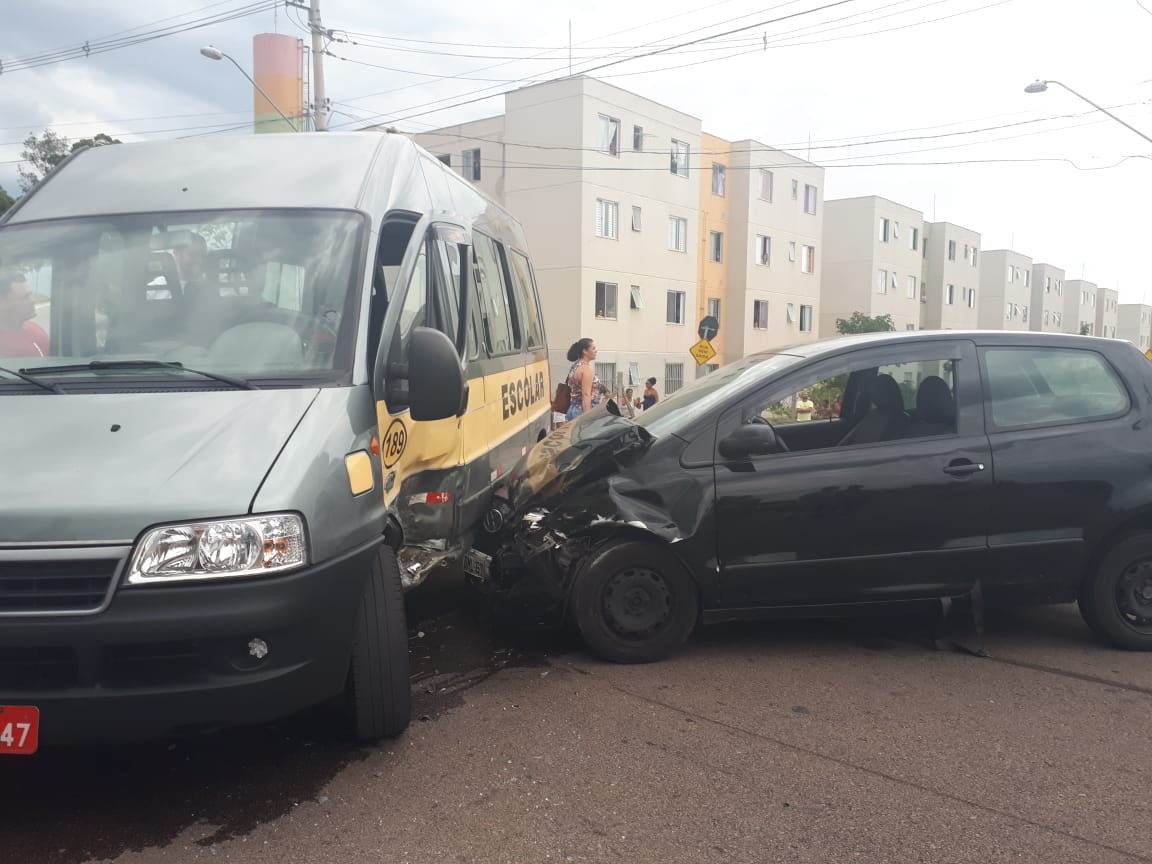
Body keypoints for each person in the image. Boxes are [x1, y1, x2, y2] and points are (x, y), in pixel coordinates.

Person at [0, 271, 50, 358]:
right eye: (25, 297)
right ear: (2, 303)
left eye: (31, 294)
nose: (32, 301)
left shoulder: (37, 332)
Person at [564, 337, 601, 421]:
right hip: (584, 410)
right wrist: (587, 418)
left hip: (573, 409)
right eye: (593, 348)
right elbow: (586, 395)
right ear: (584, 351)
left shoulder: (575, 366)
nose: (596, 350)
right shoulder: (586, 369)